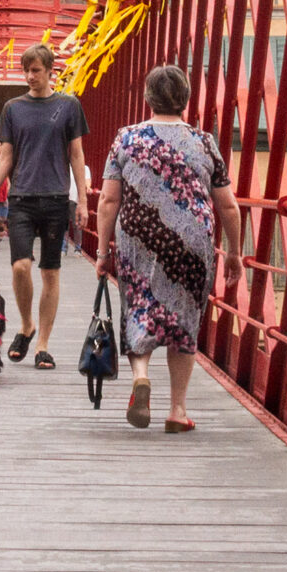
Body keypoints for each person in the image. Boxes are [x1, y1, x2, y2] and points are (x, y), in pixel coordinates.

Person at [96, 63, 239, 432]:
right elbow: (228, 206)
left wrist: (101, 252)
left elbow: (109, 201)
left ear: (147, 98)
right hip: (192, 243)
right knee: (184, 320)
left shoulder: (126, 138)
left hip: (139, 239)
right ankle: (177, 410)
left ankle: (140, 377)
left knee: (139, 308)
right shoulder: (205, 142)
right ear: (186, 99)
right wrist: (235, 253)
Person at [0, 44, 93, 370]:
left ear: (49, 71)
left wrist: (82, 201)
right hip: (22, 201)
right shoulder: (13, 108)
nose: (30, 76)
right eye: (26, 70)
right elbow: (6, 157)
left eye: (36, 70)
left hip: (57, 201)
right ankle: (26, 325)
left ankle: (42, 344)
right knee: (20, 267)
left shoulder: (69, 106)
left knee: (50, 272)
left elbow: (76, 154)